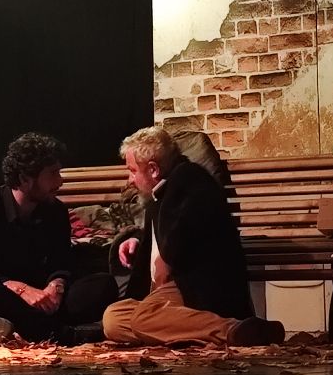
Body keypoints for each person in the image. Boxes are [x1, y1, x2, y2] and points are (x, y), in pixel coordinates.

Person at [102, 126, 286, 347]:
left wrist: (164, 262)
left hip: (195, 290)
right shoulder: (158, 194)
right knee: (114, 318)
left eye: (133, 171)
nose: (130, 180)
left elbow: (182, 239)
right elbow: (162, 233)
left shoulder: (191, 181)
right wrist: (137, 241)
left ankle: (232, 330)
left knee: (143, 319)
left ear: (153, 169)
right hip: (164, 295)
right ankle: (179, 328)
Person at [0, 132, 118, 346]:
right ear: (24, 179)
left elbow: (61, 263)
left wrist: (55, 286)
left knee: (103, 284)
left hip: (39, 304)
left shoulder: (55, 210)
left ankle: (22, 330)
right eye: (53, 174)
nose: (59, 182)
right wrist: (23, 290)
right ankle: (61, 334)